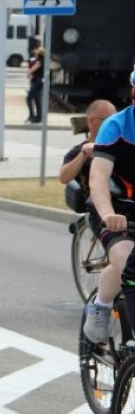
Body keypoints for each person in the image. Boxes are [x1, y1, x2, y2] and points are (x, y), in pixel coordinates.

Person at [74, 97, 128, 344]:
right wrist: (107, 214)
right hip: (115, 208)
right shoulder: (116, 125)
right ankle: (101, 306)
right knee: (126, 259)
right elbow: (98, 177)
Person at [26, 47, 45, 124]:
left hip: (37, 82)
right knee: (37, 100)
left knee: (29, 98)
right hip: (40, 81)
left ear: (39, 54)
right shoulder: (43, 61)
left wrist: (29, 73)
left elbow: (31, 70)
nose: (35, 54)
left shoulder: (39, 62)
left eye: (36, 53)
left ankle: (32, 115)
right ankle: (38, 117)